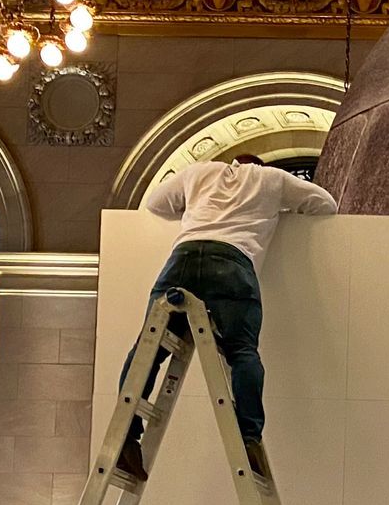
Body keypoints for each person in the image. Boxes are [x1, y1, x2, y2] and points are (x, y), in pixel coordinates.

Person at [119, 154, 337, 483]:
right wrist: (280, 209)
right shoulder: (271, 179)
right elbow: (325, 203)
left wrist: (197, 205)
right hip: (234, 265)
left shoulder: (199, 172)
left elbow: (156, 203)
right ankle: (248, 439)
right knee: (242, 352)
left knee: (149, 348)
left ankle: (125, 437)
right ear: (259, 165)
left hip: (183, 259)